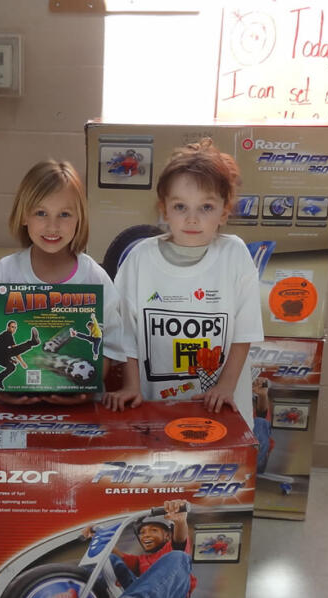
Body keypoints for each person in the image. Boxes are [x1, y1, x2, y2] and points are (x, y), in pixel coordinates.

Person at [104, 139, 264, 418]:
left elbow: (244, 334)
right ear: (164, 208)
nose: (192, 219)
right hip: (157, 409)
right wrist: (132, 385)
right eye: (180, 207)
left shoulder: (234, 255)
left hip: (221, 409)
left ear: (224, 211)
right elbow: (125, 333)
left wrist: (226, 387)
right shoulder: (140, 259)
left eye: (205, 207)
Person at [0, 160, 124, 404]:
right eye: (41, 213)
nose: (52, 226)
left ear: (80, 217)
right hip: (16, 413)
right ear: (24, 215)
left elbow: (109, 346)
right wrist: (2, 388)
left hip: (81, 414)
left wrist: (85, 391)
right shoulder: (3, 275)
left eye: (64, 214)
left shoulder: (94, 277)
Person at [77, 499, 196, 598]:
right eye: (142, 532)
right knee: (110, 559)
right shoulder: (142, 560)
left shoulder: (173, 549)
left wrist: (180, 522)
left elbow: (180, 539)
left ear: (168, 536)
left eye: (154, 530)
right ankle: (84, 595)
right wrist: (99, 535)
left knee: (179, 556)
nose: (146, 535)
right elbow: (117, 555)